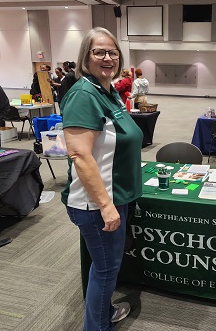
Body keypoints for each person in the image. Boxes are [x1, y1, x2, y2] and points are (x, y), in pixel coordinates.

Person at [61, 27, 143, 330]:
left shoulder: (106, 91)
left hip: (116, 196)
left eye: (113, 52)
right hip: (97, 204)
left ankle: (103, 314)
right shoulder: (84, 94)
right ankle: (97, 326)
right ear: (86, 56)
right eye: (99, 52)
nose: (107, 57)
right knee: (106, 270)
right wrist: (106, 205)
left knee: (105, 267)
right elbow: (80, 155)